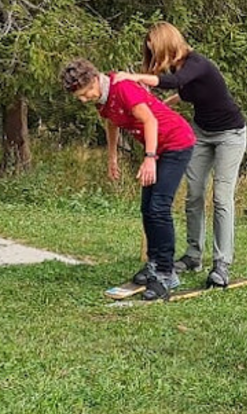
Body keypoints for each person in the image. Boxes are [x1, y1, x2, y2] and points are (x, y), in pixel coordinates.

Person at [113, 23, 247, 288]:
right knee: (194, 194)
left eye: (155, 49)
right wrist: (166, 104)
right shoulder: (179, 68)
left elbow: (176, 82)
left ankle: (222, 263)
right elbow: (185, 90)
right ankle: (193, 256)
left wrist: (135, 78)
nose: (153, 57)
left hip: (230, 134)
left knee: (221, 197)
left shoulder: (197, 63)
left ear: (167, 45)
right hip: (201, 133)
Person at [62, 58, 196, 301]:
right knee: (147, 209)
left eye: (85, 93)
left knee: (159, 208)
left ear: (94, 79)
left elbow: (150, 120)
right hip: (158, 148)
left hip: (176, 142)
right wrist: (112, 157)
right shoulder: (103, 98)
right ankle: (154, 263)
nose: (84, 99)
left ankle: (166, 274)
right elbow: (112, 123)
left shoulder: (122, 87)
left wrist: (150, 157)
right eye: (79, 97)